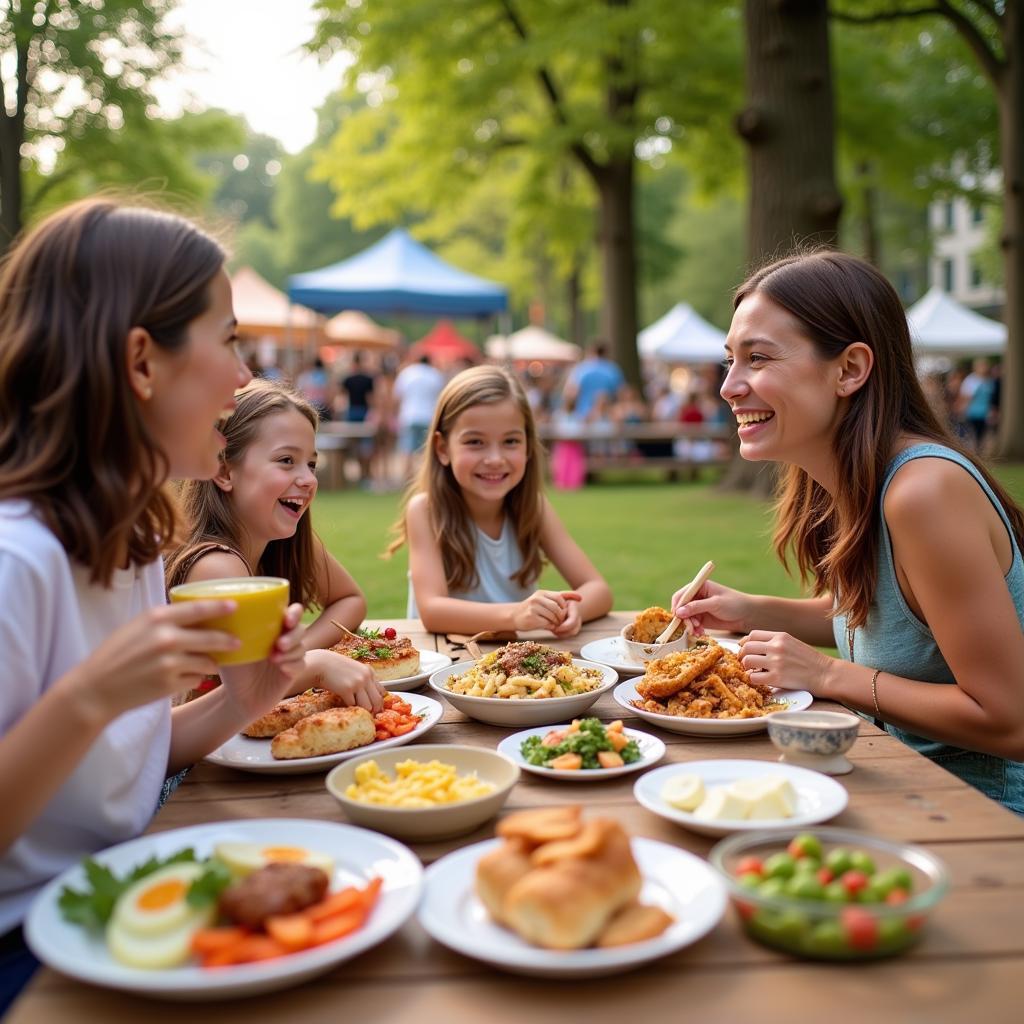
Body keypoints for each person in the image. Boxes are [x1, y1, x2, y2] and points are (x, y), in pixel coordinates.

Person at [0, 199, 307, 1010]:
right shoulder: (14, 563)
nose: (244, 377)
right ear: (143, 362)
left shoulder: (130, 537)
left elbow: (114, 771)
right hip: (26, 956)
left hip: (126, 892)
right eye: (229, 340)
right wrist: (89, 694)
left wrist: (238, 704)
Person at [671, 250, 1024, 814]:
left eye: (757, 358)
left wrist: (827, 673)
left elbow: (1009, 720)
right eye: (729, 361)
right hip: (891, 780)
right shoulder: (846, 479)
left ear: (850, 369)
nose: (729, 387)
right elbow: (893, 623)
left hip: (981, 817)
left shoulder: (923, 492)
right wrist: (752, 611)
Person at [166, 378, 383, 711]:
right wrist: (314, 664)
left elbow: (350, 599)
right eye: (286, 461)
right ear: (224, 472)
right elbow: (249, 687)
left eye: (311, 464)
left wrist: (298, 654)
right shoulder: (216, 567)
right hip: (202, 761)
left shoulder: (284, 538)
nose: (309, 479)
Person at [387, 366, 613, 636]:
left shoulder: (534, 508)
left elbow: (598, 589)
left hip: (517, 669)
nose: (495, 458)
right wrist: (515, 615)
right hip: (443, 666)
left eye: (510, 441)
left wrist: (575, 609)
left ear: (528, 447)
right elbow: (434, 611)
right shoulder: (425, 510)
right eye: (475, 442)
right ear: (443, 448)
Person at [393, 354, 444, 480]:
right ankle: (424, 478)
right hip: (428, 416)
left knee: (407, 449)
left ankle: (406, 478)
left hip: (409, 416)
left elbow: (397, 396)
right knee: (426, 451)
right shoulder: (435, 374)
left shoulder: (407, 373)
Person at [563, 340, 625, 418]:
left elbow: (570, 393)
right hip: (607, 417)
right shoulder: (612, 370)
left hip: (582, 415)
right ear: (606, 353)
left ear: (591, 351)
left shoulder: (581, 369)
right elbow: (621, 393)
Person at [340, 351, 377, 483]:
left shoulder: (347, 379)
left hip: (351, 412)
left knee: (353, 444)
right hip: (364, 412)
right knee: (366, 445)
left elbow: (342, 396)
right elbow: (371, 398)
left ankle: (358, 473)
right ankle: (365, 474)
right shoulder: (368, 379)